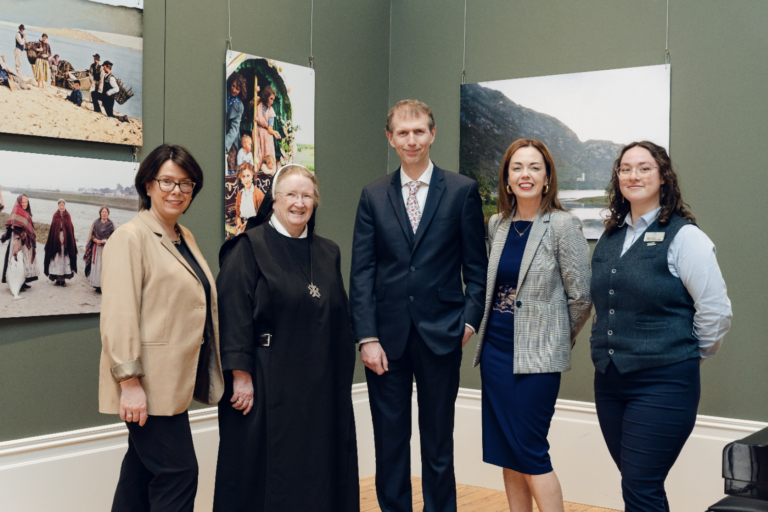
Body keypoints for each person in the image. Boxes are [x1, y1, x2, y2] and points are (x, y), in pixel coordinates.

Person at [350, 99, 487, 512]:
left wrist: (468, 323)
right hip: (384, 340)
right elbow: (362, 272)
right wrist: (366, 337)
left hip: (442, 334)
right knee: (389, 442)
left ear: (432, 134)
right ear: (390, 138)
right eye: (403, 133)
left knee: (438, 442)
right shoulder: (373, 194)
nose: (412, 140)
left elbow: (477, 269)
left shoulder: (461, 191)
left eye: (419, 131)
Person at [590, 141, 732, 511]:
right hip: (609, 382)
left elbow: (715, 311)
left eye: (644, 168)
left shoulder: (685, 236)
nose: (633, 175)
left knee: (641, 486)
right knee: (637, 484)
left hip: (664, 383)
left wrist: (688, 355)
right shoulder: (610, 236)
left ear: (663, 177)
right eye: (625, 169)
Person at [213, 164, 359, 511]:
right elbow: (232, 314)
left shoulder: (328, 252)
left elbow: (339, 316)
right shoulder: (247, 248)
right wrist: (241, 376)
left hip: (318, 386)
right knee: (265, 473)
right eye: (291, 195)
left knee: (315, 467)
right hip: (265, 381)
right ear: (274, 200)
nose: (299, 203)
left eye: (307, 196)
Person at [99, 144, 224, 512]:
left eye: (186, 184)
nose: (177, 191)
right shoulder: (130, 237)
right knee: (178, 473)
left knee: (139, 476)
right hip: (147, 386)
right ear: (148, 185)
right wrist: (129, 383)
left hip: (173, 383)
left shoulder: (184, 236)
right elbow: (118, 315)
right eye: (167, 181)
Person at [472, 139, 592, 512]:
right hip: (495, 352)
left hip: (538, 359)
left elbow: (581, 297)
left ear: (547, 178)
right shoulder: (497, 224)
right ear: (507, 179)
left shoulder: (563, 225)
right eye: (517, 167)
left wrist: (555, 339)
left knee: (531, 450)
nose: (526, 174)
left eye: (534, 167)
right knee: (506, 451)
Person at [1, 194, 38, 290]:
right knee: (17, 262)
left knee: (24, 261)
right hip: (18, 241)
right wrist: (16, 245)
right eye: (23, 202)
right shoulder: (17, 213)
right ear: (19, 203)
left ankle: (23, 281)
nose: (24, 204)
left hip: (25, 242)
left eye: (26, 202)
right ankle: (17, 283)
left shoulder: (26, 212)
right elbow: (15, 230)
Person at [43, 199, 77, 287]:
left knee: (65, 259)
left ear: (64, 206)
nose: (61, 207)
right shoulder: (55, 216)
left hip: (66, 240)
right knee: (56, 260)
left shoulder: (67, 215)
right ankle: (58, 279)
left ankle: (63, 280)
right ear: (58, 206)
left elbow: (70, 229)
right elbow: (53, 229)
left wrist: (65, 238)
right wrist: (58, 238)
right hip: (56, 240)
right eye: (60, 205)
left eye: (63, 205)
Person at [84, 205, 114, 292]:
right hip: (97, 248)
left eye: (105, 212)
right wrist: (96, 240)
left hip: (107, 248)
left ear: (108, 213)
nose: (104, 213)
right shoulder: (96, 223)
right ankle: (97, 285)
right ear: (100, 213)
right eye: (102, 212)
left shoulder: (111, 225)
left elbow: (113, 237)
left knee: (105, 266)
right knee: (98, 266)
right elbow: (92, 236)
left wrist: (106, 241)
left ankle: (105, 285)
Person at [253, 85, 281, 168]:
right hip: (256, 132)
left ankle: (267, 173)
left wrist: (274, 133)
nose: (272, 102)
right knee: (257, 154)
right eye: (271, 98)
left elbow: (270, 129)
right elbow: (249, 107)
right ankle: (256, 173)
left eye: (273, 99)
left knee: (267, 157)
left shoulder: (271, 111)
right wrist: (254, 96)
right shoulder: (258, 103)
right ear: (266, 97)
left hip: (266, 136)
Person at [225, 72, 247, 174]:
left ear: (241, 91)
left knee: (230, 165)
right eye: (233, 86)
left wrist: (225, 144)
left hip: (231, 139)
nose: (234, 90)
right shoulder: (224, 94)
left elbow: (234, 128)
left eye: (237, 89)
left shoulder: (239, 106)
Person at [234, 162, 264, 235]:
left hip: (255, 226)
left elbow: (263, 216)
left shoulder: (259, 194)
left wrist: (249, 223)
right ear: (240, 178)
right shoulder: (240, 194)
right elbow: (237, 215)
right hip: (243, 226)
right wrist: (239, 223)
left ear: (252, 175)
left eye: (248, 176)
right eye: (243, 176)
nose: (246, 180)